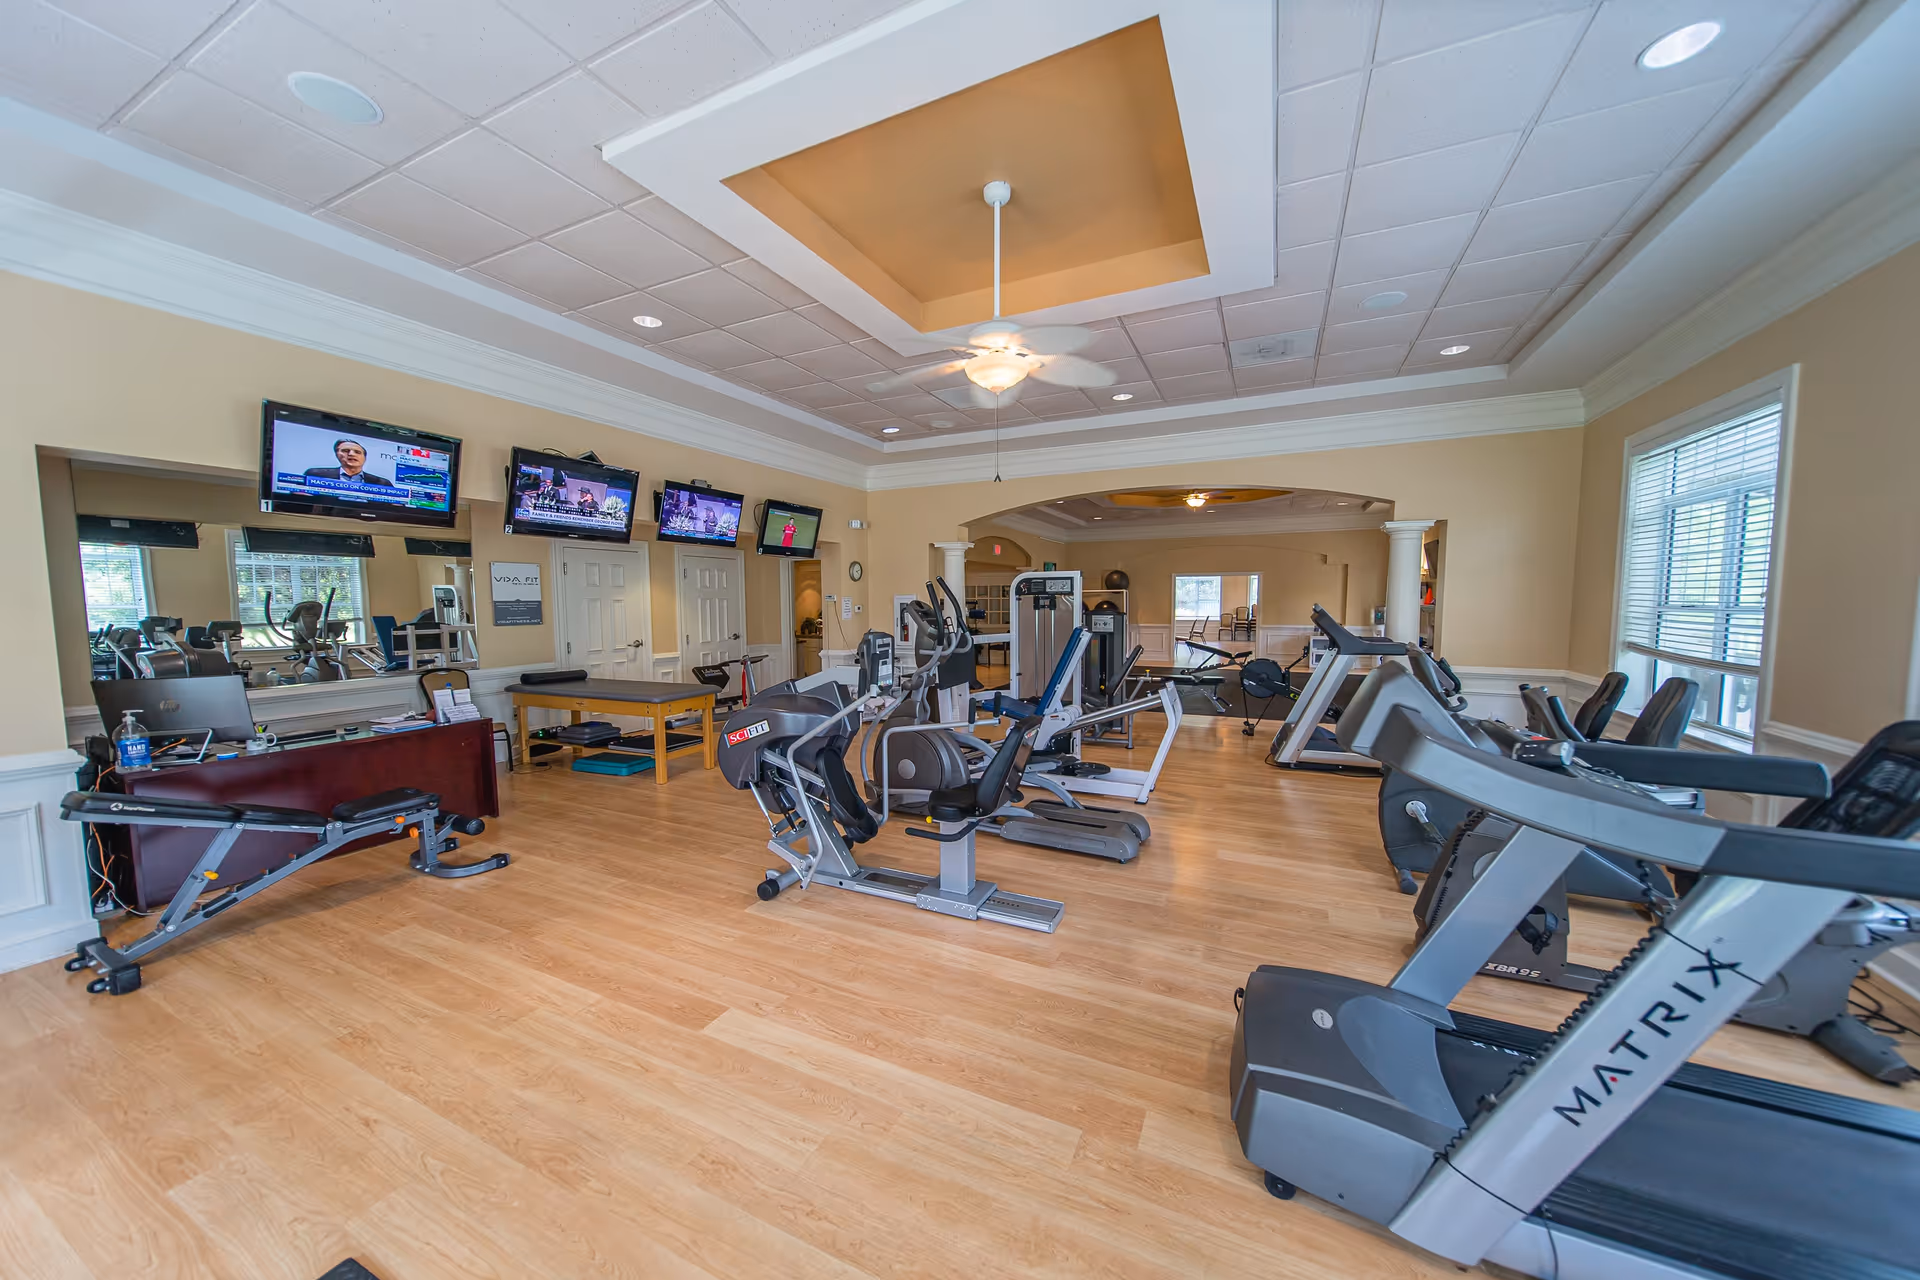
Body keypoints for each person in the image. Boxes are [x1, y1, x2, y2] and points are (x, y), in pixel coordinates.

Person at [303, 439, 393, 486]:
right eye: (345, 451)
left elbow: (396, 508)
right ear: (337, 455)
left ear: (364, 458)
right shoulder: (315, 474)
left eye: (357, 452)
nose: (351, 454)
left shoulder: (383, 483)